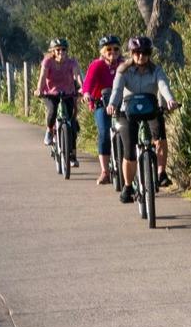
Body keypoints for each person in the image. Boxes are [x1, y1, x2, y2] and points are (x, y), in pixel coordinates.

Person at [105, 37, 178, 202]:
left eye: (144, 53)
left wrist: (170, 100)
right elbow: (116, 90)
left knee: (159, 137)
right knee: (129, 151)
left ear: (149, 54)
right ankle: (128, 186)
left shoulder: (156, 70)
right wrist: (112, 105)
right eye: (137, 52)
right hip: (127, 113)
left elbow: (163, 85)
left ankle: (161, 173)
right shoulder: (123, 70)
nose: (141, 56)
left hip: (150, 110)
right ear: (131, 53)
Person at [83, 35, 123, 184]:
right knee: (104, 133)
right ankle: (105, 171)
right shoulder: (97, 65)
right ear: (102, 51)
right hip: (100, 103)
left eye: (116, 49)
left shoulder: (123, 64)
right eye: (108, 49)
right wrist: (87, 94)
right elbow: (88, 82)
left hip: (121, 104)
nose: (112, 52)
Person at [38, 38, 81, 163]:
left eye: (63, 50)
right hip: (50, 93)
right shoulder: (47, 62)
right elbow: (42, 77)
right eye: (58, 50)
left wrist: (82, 87)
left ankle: (72, 155)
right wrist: (39, 90)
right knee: (53, 109)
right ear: (53, 51)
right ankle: (50, 131)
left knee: (71, 123)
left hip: (68, 93)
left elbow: (77, 76)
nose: (61, 52)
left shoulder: (72, 62)